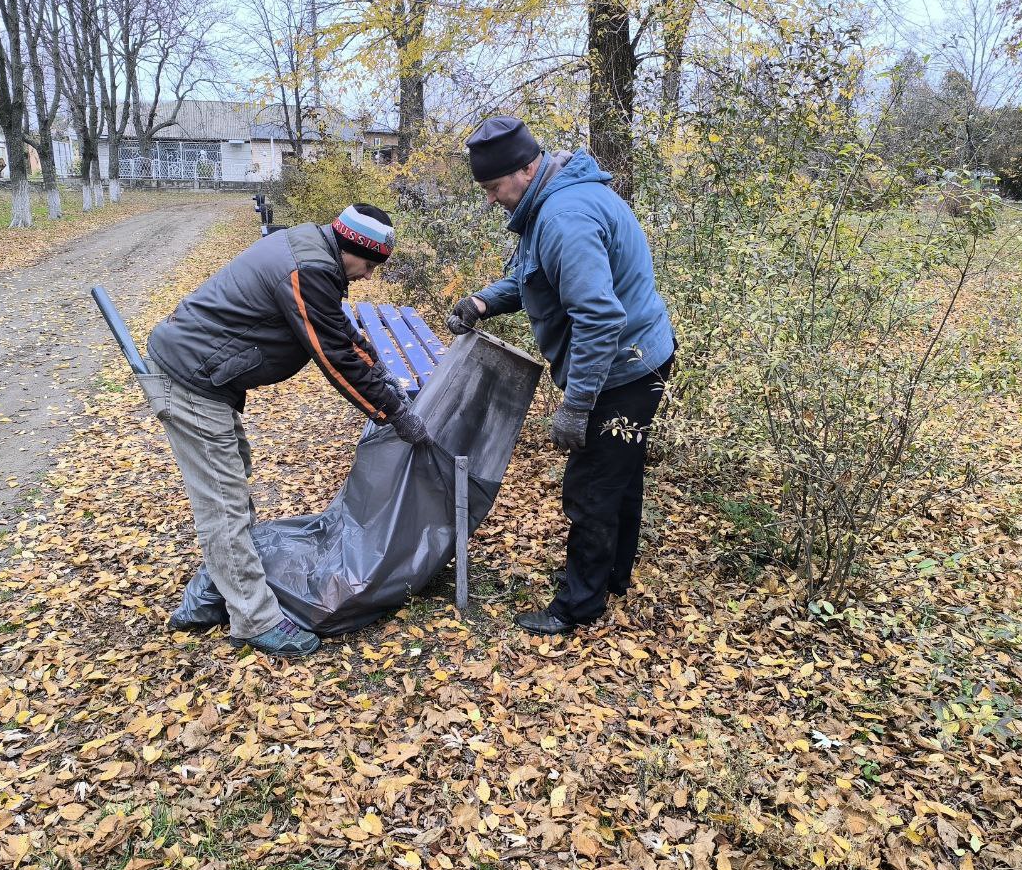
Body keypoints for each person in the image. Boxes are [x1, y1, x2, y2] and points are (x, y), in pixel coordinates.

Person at [139, 203, 429, 657]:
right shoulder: (309, 268)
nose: (369, 277)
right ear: (350, 247)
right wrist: (393, 412)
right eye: (369, 265)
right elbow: (333, 353)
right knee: (224, 504)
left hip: (207, 377)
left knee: (232, 483)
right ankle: (255, 620)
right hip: (190, 377)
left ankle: (215, 592)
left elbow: (344, 335)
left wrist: (384, 378)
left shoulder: (315, 253)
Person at [447, 117, 675, 636]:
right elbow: (530, 274)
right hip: (643, 358)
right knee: (620, 473)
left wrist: (577, 403)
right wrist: (484, 301)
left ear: (526, 170)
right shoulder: (552, 199)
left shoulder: (565, 216)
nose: (489, 200)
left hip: (623, 370)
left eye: (493, 188)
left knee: (592, 485)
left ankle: (579, 604)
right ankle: (613, 577)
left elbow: (600, 318)